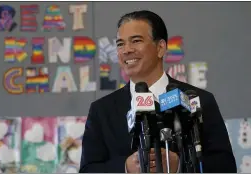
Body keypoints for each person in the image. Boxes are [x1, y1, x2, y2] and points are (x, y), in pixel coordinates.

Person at [79, 10, 237, 173]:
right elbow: (88, 169)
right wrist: (125, 168)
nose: (126, 50)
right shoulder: (101, 110)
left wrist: (180, 165)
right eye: (120, 44)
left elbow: (226, 166)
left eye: (136, 41)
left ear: (160, 47)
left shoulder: (197, 100)